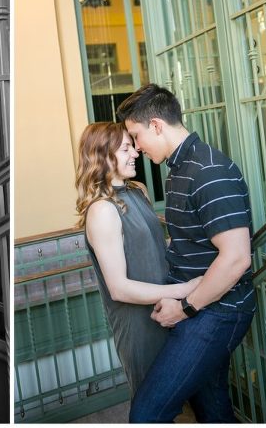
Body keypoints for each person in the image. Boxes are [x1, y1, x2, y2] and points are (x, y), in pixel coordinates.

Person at [117, 84, 254, 423]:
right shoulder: (181, 168)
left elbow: (236, 258)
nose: (137, 147)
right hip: (201, 307)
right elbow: (192, 242)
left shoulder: (207, 170)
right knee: (212, 405)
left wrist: (185, 308)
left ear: (157, 126)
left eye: (136, 136)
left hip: (215, 312)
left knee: (146, 414)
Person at [75, 122, 201, 398]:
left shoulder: (138, 190)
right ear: (102, 156)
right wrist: (183, 290)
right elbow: (119, 288)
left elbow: (152, 247)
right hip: (140, 326)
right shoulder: (101, 211)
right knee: (156, 406)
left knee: (188, 401)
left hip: (170, 310)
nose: (135, 152)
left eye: (132, 145)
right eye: (125, 148)